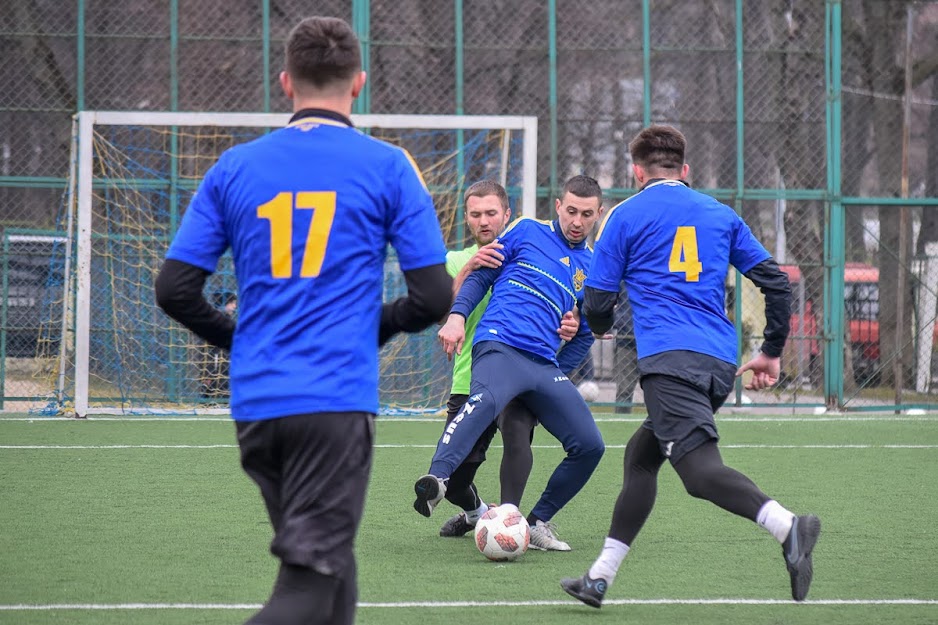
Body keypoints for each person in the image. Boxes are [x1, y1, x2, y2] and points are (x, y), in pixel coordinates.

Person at [154, 16, 452, 625]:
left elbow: (175, 290)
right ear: (359, 83)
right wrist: (377, 326)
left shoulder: (235, 167)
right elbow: (431, 297)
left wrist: (241, 339)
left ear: (286, 83)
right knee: (309, 583)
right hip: (332, 400)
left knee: (332, 571)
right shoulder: (389, 166)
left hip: (258, 403)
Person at [560, 125, 819, 607]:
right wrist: (770, 349)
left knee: (699, 474)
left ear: (636, 172)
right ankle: (599, 578)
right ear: (686, 171)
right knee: (640, 458)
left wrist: (595, 325)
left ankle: (789, 527)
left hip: (670, 362)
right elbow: (777, 284)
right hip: (718, 362)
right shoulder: (720, 214)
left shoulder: (625, 214)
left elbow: (596, 299)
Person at [415, 175, 606, 551]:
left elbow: (586, 330)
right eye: (570, 211)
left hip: (542, 366)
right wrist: (456, 316)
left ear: (598, 214)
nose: (576, 221)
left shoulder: (594, 267)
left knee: (590, 445)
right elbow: (482, 276)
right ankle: (437, 481)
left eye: (586, 214)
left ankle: (531, 523)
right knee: (483, 401)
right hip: (500, 346)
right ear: (557, 206)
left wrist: (559, 367)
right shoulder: (526, 231)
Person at [199, 292, 237, 402]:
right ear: (224, 304)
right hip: (216, 368)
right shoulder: (216, 321)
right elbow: (206, 350)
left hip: (226, 367)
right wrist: (206, 372)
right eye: (232, 303)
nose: (234, 306)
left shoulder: (229, 321)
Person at [612, 285, 639, 414]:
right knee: (624, 391)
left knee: (658, 389)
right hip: (627, 339)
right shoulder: (625, 272)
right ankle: (621, 421)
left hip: (654, 340)